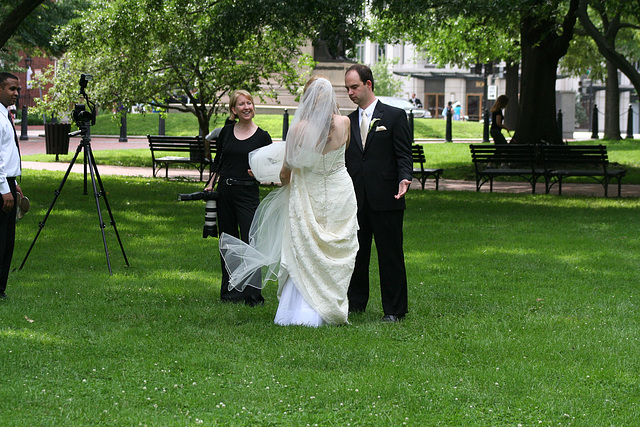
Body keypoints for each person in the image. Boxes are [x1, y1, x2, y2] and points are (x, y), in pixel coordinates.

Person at [219, 76, 359, 326]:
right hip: (341, 192)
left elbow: (287, 172)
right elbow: (342, 156)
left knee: (305, 249)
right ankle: (332, 306)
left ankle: (300, 310)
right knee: (334, 250)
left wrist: (279, 181)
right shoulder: (346, 122)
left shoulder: (297, 129)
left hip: (309, 193)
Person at [344, 64, 412, 322]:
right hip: (354, 199)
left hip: (387, 197)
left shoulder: (394, 116)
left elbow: (404, 154)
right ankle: (355, 303)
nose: (350, 92)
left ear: (368, 85)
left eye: (354, 87)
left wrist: (405, 178)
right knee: (356, 255)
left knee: (390, 255)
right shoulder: (346, 122)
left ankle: (394, 310)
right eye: (347, 88)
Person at [204, 90, 272, 306]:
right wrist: (210, 182)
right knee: (227, 241)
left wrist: (259, 173)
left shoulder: (262, 136)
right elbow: (219, 161)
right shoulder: (225, 132)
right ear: (234, 110)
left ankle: (253, 295)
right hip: (225, 192)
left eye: (249, 103)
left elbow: (270, 166)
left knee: (251, 243)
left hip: (248, 194)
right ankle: (230, 292)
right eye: (241, 104)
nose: (246, 107)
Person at [0, 73, 23, 299]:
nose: (16, 93)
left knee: (8, 240)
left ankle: (1, 288)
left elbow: (7, 154)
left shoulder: (5, 115)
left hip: (7, 182)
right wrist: (4, 188)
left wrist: (13, 183)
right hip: (0, 185)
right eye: (11, 89)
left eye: (17, 89)